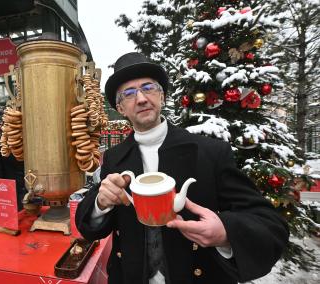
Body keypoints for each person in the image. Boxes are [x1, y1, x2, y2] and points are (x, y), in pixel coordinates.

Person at [75, 52, 289, 284]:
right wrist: (100, 203)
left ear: (163, 96)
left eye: (149, 88)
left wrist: (225, 232)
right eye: (128, 94)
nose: (141, 99)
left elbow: (269, 223)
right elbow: (91, 228)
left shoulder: (210, 152)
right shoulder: (114, 158)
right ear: (121, 108)